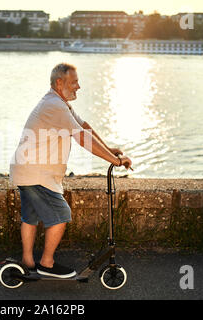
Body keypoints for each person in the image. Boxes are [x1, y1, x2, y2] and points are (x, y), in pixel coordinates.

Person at [9, 63, 132, 278]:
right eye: (74, 82)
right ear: (59, 83)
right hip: (36, 174)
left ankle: (27, 262)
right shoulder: (55, 106)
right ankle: (46, 264)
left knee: (30, 217)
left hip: (26, 170)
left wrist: (108, 149)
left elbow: (85, 128)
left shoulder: (59, 103)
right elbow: (82, 138)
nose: (79, 86)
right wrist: (114, 160)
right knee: (61, 215)